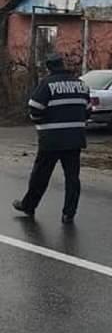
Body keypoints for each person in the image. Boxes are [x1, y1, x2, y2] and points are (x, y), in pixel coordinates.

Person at [13, 54, 90, 224]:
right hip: (75, 138)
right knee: (72, 177)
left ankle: (29, 205)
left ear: (49, 68)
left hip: (52, 139)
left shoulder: (47, 84)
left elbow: (34, 108)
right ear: (63, 65)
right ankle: (69, 213)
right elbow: (88, 110)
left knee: (41, 175)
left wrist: (40, 123)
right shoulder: (81, 84)